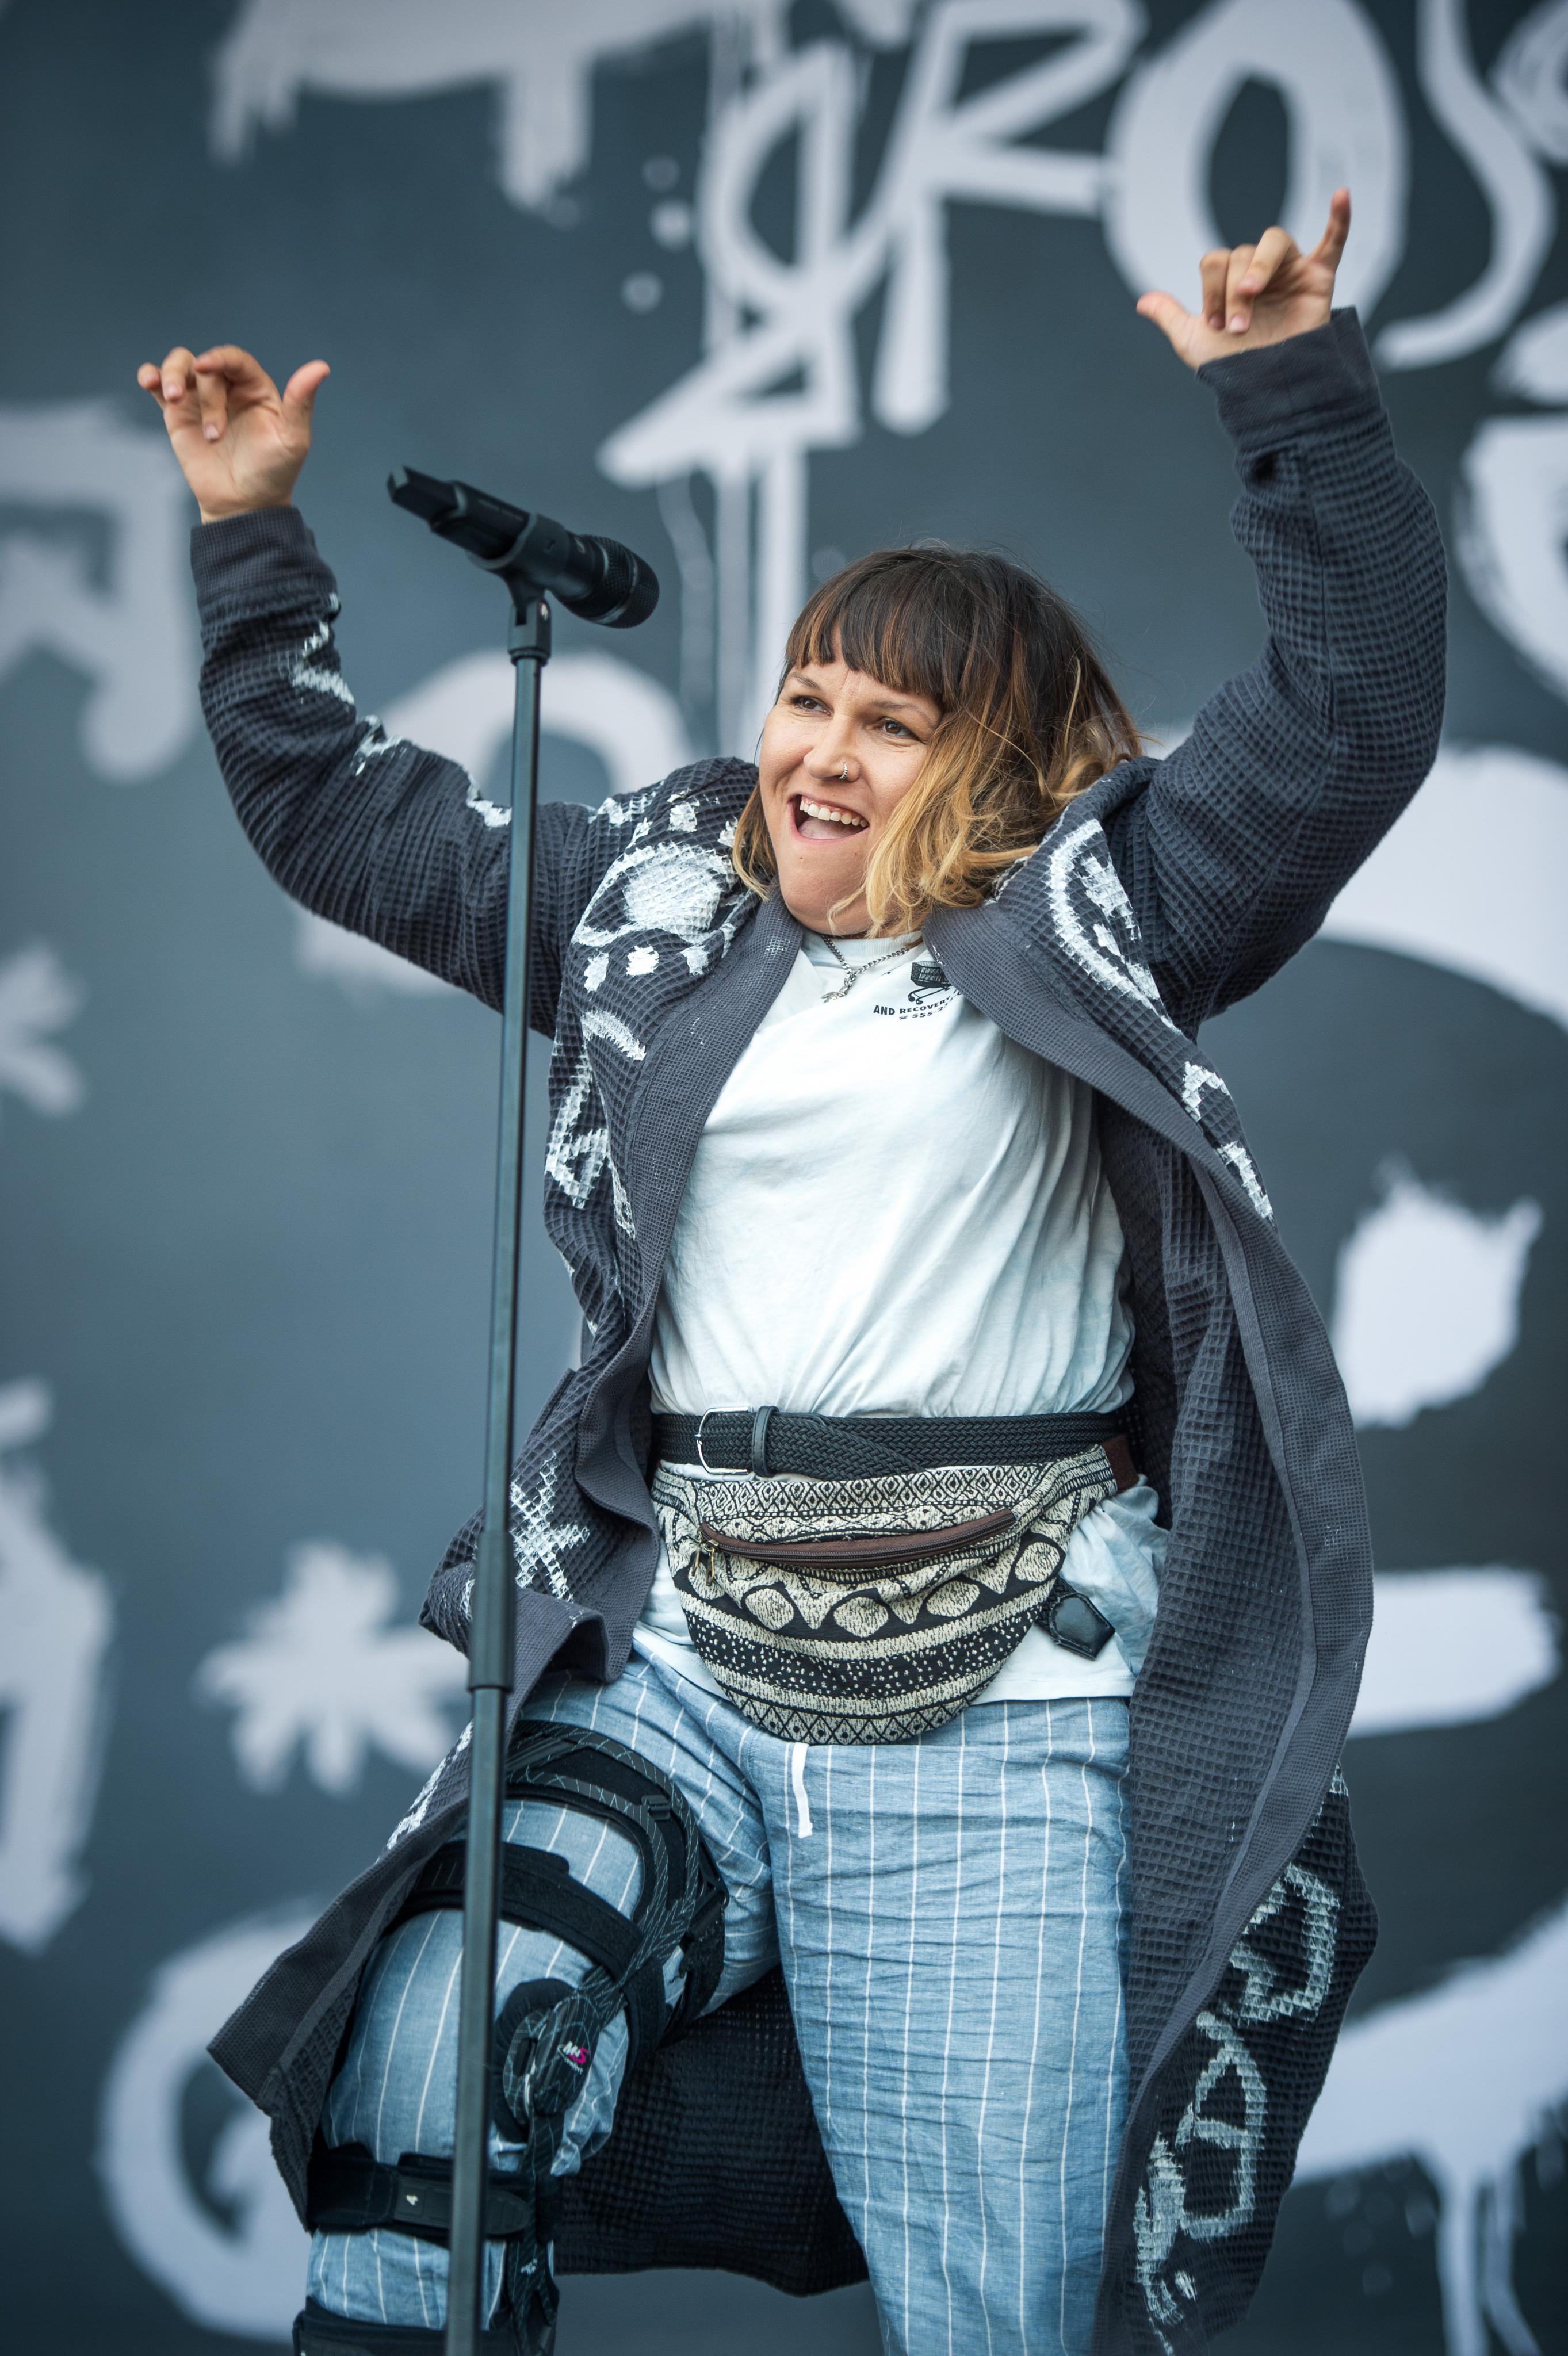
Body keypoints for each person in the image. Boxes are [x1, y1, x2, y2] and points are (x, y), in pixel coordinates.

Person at [139, 190, 1445, 2356]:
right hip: (678, 1653)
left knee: (1000, 2310)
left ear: (997, 764)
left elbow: (1355, 712)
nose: (821, 753)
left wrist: (1291, 397)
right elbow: (349, 822)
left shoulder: (1109, 911)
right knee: (431, 2060)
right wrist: (251, 538)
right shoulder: (655, 911)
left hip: (993, 1697)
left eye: (892, 725)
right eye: (806, 696)